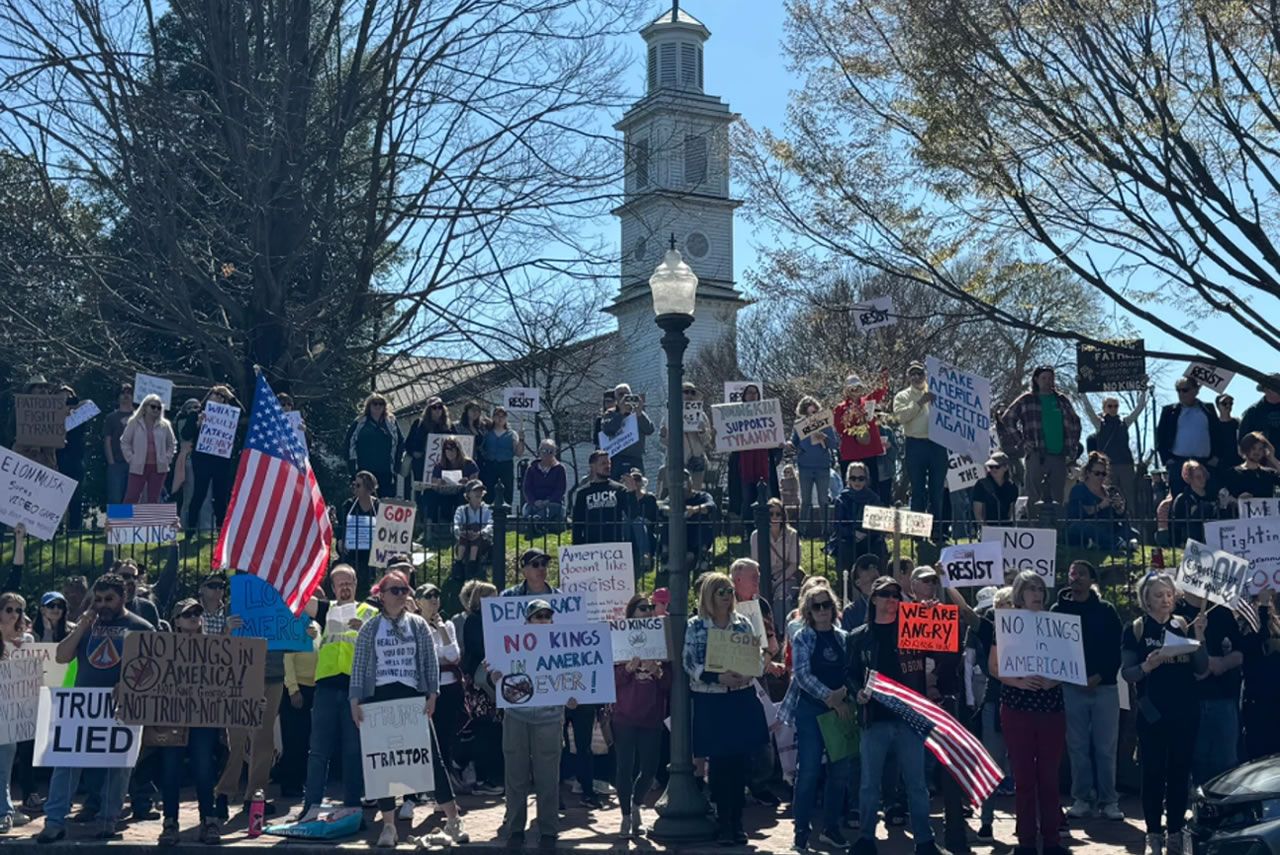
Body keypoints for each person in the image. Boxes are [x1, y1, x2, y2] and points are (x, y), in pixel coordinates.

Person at [350, 569, 467, 848]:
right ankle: (388, 826)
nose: (402, 595)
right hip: (378, 698)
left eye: (405, 590)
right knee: (382, 763)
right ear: (381, 595)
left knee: (432, 758)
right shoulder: (370, 628)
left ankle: (453, 819)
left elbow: (429, 662)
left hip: (413, 696)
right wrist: (355, 702)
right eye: (395, 591)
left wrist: (432, 694)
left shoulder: (417, 624)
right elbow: (359, 667)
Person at [38, 572, 154, 843]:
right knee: (66, 763)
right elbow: (62, 656)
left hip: (120, 707)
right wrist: (82, 624)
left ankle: (108, 819)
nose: (103, 604)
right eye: (98, 599)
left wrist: (128, 683)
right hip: (81, 707)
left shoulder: (141, 627)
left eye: (109, 599)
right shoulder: (87, 623)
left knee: (118, 765)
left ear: (124, 596)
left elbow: (152, 668)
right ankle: (54, 821)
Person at [845, 575, 943, 855]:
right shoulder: (858, 637)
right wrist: (857, 692)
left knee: (916, 785)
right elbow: (849, 675)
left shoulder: (914, 630)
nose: (892, 599)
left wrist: (933, 616)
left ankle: (924, 841)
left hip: (909, 720)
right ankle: (866, 838)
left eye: (896, 595)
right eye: (886, 594)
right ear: (873, 599)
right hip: (874, 718)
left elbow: (946, 653)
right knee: (869, 785)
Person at [1121, 572, 1209, 855]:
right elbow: (1128, 673)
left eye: (1169, 595)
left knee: (1179, 773)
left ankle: (1174, 833)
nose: (1165, 600)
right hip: (1153, 714)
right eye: (1159, 595)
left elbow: (1200, 668)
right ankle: (1153, 834)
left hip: (1185, 711)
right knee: (1154, 774)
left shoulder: (1182, 624)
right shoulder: (1136, 629)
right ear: (1146, 600)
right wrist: (1148, 666)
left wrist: (1199, 637)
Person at [684, 571, 768, 845]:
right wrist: (717, 677)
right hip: (712, 700)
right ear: (709, 595)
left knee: (740, 762)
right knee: (719, 764)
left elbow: (755, 658)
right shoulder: (696, 625)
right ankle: (724, 822)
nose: (726, 596)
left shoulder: (743, 623)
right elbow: (689, 662)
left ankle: (738, 820)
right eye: (721, 591)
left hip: (740, 698)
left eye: (730, 591)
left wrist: (747, 674)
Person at [988, 571, 1067, 855]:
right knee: (1023, 776)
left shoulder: (1056, 623)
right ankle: (1026, 840)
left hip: (1051, 708)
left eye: (1040, 589)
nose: (1036, 593)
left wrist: (1053, 680)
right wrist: (1018, 681)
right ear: (1020, 594)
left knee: (1048, 775)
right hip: (1017, 707)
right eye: (1030, 589)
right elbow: (994, 667)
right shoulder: (1007, 624)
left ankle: (1052, 838)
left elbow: (1068, 663)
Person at [487, 599, 570, 849]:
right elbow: (487, 678)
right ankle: (515, 829)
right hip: (516, 717)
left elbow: (575, 679)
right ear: (527, 621)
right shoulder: (508, 644)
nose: (543, 620)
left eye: (547, 616)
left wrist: (576, 698)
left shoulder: (563, 646)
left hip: (550, 718)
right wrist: (495, 676)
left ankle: (548, 830)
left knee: (548, 778)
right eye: (538, 616)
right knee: (515, 777)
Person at [300, 564, 379, 817]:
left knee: (353, 751)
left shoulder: (371, 613)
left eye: (349, 582)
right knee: (318, 752)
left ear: (356, 584)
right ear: (333, 588)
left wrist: (364, 630)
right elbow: (299, 598)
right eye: (340, 583)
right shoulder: (326, 609)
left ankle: (353, 807)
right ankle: (311, 807)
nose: (345, 587)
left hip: (355, 691)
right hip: (325, 688)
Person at [778, 584, 851, 852]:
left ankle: (831, 827)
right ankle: (800, 830)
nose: (822, 610)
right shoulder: (802, 637)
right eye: (816, 606)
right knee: (807, 770)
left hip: (840, 710)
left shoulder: (844, 637)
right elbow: (802, 675)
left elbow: (851, 671)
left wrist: (842, 695)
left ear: (833, 608)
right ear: (808, 610)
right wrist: (829, 697)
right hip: (811, 710)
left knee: (839, 771)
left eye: (826, 605)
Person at [1050, 561, 1124, 821]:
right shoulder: (1057, 610)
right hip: (1071, 687)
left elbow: (1117, 648)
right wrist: (1072, 677)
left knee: (1105, 748)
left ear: (1092, 579)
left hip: (1104, 688)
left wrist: (1100, 675)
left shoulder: (1106, 610)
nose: (1076, 577)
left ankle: (1109, 800)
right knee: (1077, 746)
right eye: (1072, 573)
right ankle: (1082, 797)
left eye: (1082, 573)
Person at [158, 599, 222, 845]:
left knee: (204, 767)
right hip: (172, 716)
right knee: (171, 769)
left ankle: (209, 819)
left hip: (203, 717)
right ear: (176, 620)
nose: (194, 617)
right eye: (187, 614)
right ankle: (170, 821)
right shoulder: (163, 647)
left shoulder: (215, 646)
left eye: (197, 613)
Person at [612, 594, 671, 838]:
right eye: (642, 608)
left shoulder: (662, 639)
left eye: (650, 608)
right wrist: (627, 670)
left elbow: (670, 683)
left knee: (649, 767)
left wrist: (657, 671)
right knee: (624, 766)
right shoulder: (619, 640)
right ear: (631, 613)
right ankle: (625, 816)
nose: (647, 612)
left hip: (652, 715)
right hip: (624, 714)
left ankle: (637, 806)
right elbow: (610, 681)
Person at [1174, 590, 1244, 786]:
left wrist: (1219, 663)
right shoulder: (1174, 612)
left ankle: (1225, 814)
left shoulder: (1221, 611)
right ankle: (1197, 811)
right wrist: (1199, 664)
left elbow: (1240, 653)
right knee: (1193, 761)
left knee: (1226, 763)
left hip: (1223, 698)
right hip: (1188, 699)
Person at [998, 366, 1082, 507]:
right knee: (1033, 496)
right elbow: (1007, 419)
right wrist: (1022, 442)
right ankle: (1034, 527)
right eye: (1044, 378)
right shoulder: (1027, 399)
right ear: (1036, 380)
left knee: (1058, 498)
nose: (1048, 381)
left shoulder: (1061, 400)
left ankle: (1056, 528)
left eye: (1050, 378)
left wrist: (1072, 448)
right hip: (1036, 455)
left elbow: (1076, 424)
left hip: (1059, 456)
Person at [968, 586, 1014, 842]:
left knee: (1027, 766)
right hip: (995, 703)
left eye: (1011, 602)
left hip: (1026, 702)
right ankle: (986, 820)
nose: (1007, 607)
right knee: (991, 764)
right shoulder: (989, 629)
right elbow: (966, 613)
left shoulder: (1029, 628)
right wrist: (949, 584)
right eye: (1002, 604)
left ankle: (1033, 822)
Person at [415, 583, 463, 788]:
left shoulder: (449, 625)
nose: (434, 599)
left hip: (449, 688)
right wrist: (440, 658)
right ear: (418, 602)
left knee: (446, 739)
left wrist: (442, 629)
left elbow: (453, 656)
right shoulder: (414, 625)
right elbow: (423, 660)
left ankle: (445, 788)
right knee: (424, 739)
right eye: (428, 596)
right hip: (426, 690)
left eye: (436, 595)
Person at [894, 361, 950, 528]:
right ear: (908, 377)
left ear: (926, 375)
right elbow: (900, 417)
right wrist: (920, 403)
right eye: (913, 374)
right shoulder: (902, 396)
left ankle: (937, 531)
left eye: (920, 373)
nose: (917, 377)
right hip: (915, 445)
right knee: (917, 490)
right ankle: (917, 531)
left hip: (938, 445)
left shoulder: (938, 392)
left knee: (937, 490)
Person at [1082, 383, 1148, 515]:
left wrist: (1143, 391)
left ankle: (1131, 523)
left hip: (1126, 465)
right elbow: (1088, 410)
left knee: (1129, 497)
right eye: (1110, 406)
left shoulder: (1125, 423)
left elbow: (1139, 408)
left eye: (1115, 406)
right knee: (1108, 495)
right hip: (1107, 468)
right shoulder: (1099, 424)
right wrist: (1082, 391)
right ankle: (1110, 522)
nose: (1113, 409)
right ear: (1104, 408)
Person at [0, 593, 35, 833]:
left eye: (18, 611)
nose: (14, 615)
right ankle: (5, 810)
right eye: (9, 609)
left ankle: (5, 809)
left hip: (11, 713)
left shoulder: (29, 640)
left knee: (6, 763)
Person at [184, 385, 241, 531]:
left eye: (222, 397)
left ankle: (221, 529)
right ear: (208, 396)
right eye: (216, 394)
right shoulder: (197, 413)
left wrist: (230, 396)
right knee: (199, 493)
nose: (219, 397)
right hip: (202, 459)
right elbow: (186, 434)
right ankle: (190, 528)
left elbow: (243, 413)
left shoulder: (230, 415)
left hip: (221, 460)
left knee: (220, 496)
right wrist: (198, 423)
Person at [1156, 378, 1223, 499]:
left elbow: (1218, 435)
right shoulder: (1170, 411)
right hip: (1178, 463)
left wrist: (1216, 457)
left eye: (1185, 390)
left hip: (1205, 462)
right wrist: (1167, 460)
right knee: (1180, 500)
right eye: (1178, 391)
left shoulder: (1208, 409)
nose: (1181, 394)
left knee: (1208, 499)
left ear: (1196, 390)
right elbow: (1161, 436)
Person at [280, 615, 319, 799]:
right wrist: (293, 689)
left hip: (315, 687)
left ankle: (303, 782)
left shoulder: (318, 624)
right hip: (296, 689)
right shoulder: (291, 624)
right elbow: (287, 660)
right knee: (294, 739)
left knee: (307, 739)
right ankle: (290, 784)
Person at [790, 395, 840, 533]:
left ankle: (827, 531)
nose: (811, 409)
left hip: (822, 467)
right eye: (807, 406)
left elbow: (835, 445)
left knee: (824, 500)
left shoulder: (825, 423)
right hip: (804, 467)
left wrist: (825, 438)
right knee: (805, 501)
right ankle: (802, 531)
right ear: (803, 410)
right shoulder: (799, 425)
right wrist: (792, 447)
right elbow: (793, 443)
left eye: (812, 406)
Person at [1241, 588, 1280, 760]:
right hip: (1259, 702)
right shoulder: (1245, 627)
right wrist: (1262, 610)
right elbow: (1258, 646)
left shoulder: (1277, 625)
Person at [1066, 451, 1132, 549]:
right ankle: (1117, 543)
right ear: (1088, 473)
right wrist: (1100, 506)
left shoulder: (1109, 491)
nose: (1101, 477)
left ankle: (1100, 544)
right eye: (1097, 473)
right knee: (1082, 528)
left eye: (1103, 474)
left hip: (1107, 527)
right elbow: (1077, 513)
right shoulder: (1079, 489)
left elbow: (1117, 518)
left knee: (1132, 531)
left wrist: (1119, 508)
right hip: (1086, 526)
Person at [834, 373, 891, 486]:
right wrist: (856, 421)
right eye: (852, 388)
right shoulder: (840, 408)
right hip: (851, 452)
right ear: (847, 390)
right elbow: (840, 428)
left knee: (873, 484)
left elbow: (881, 390)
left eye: (858, 387)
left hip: (869, 450)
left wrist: (884, 373)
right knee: (850, 486)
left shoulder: (868, 401)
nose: (855, 390)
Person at [751, 498, 802, 620]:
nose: (774, 517)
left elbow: (794, 564)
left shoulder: (792, 534)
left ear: (783, 516)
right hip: (763, 576)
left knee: (781, 596)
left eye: (778, 514)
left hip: (786, 576)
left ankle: (781, 631)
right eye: (770, 514)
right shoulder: (756, 535)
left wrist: (778, 581)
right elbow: (755, 563)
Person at [120, 393, 177, 504]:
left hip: (158, 467)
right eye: (153, 406)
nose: (156, 410)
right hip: (138, 466)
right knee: (131, 496)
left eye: (159, 408)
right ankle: (119, 520)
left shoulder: (165, 425)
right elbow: (125, 441)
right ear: (145, 407)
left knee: (154, 499)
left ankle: (150, 522)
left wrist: (167, 458)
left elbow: (172, 444)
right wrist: (131, 458)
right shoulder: (134, 422)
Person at [345, 393, 403, 498]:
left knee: (384, 501)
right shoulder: (359, 423)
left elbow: (400, 442)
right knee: (364, 500)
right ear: (369, 406)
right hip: (363, 470)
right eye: (374, 404)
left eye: (381, 404)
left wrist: (397, 464)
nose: (378, 406)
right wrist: (352, 467)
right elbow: (349, 443)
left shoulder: (391, 423)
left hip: (385, 470)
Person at [832, 462, 886, 571]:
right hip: (848, 539)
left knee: (879, 546)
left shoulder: (873, 499)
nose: (857, 482)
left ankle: (879, 579)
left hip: (870, 538)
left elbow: (879, 525)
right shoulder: (841, 499)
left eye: (861, 478)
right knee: (845, 548)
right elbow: (838, 526)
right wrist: (854, 533)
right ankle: (847, 583)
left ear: (866, 480)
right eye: (853, 478)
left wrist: (866, 533)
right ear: (848, 479)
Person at [661, 381, 712, 490]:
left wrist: (702, 431)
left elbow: (707, 441)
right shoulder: (670, 414)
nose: (689, 395)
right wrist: (663, 434)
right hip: (675, 462)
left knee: (694, 494)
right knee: (675, 494)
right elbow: (664, 443)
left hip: (695, 462)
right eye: (686, 392)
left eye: (692, 393)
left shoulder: (701, 415)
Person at [572, 450, 630, 544]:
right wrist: (576, 545)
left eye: (609, 463)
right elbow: (577, 524)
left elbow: (632, 514)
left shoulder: (619, 489)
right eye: (603, 463)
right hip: (591, 544)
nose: (608, 466)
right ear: (592, 466)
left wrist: (631, 492)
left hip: (614, 544)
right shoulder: (583, 493)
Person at [599, 383, 655, 478]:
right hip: (616, 459)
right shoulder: (610, 413)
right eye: (621, 394)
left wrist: (639, 415)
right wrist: (621, 414)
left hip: (635, 459)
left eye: (627, 394)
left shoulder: (637, 413)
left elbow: (649, 430)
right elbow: (608, 430)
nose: (624, 397)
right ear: (616, 398)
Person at [337, 471, 380, 588]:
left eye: (358, 485)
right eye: (354, 484)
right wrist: (340, 540)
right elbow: (341, 526)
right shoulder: (348, 505)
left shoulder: (378, 506)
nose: (354, 488)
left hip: (371, 549)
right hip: (352, 548)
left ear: (368, 488)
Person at [479, 406, 525, 506]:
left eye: (503, 416)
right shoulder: (487, 433)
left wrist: (521, 440)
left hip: (506, 466)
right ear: (493, 417)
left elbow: (519, 453)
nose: (500, 419)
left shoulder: (512, 434)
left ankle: (506, 515)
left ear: (506, 418)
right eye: (497, 416)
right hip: (490, 465)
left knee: (506, 492)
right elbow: (481, 448)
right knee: (489, 493)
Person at [404, 396, 453, 492]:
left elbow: (456, 443)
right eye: (434, 407)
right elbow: (408, 444)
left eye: (440, 407)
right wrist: (415, 453)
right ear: (428, 410)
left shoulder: (449, 426)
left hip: (443, 465)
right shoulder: (418, 424)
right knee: (423, 492)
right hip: (422, 466)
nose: (437, 410)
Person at [427, 436, 478, 526]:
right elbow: (433, 482)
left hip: (461, 495)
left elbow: (476, 482)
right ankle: (431, 524)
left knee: (463, 496)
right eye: (448, 449)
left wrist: (468, 481)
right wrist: (439, 482)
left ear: (458, 450)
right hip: (445, 494)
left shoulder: (469, 464)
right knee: (429, 494)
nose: (450, 452)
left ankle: (461, 525)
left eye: (453, 449)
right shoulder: (439, 466)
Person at [1169, 460, 1221, 545]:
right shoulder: (1182, 499)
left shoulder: (1213, 496)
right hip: (1192, 544)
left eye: (1203, 476)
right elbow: (1177, 526)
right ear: (1189, 478)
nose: (1202, 480)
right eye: (1198, 477)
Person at [57, 385, 87, 529]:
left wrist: (71, 408)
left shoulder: (79, 415)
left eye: (68, 397)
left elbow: (87, 404)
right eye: (61, 398)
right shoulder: (51, 416)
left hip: (75, 459)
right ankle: (56, 528)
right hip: (57, 459)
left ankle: (74, 528)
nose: (65, 400)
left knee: (76, 497)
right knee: (56, 497)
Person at [452, 480, 494, 578]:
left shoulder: (488, 509)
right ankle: (459, 563)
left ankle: (471, 563)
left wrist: (481, 532)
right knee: (467, 531)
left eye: (480, 491)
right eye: (475, 491)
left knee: (475, 529)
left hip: (483, 541)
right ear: (468, 494)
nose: (478, 493)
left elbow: (491, 524)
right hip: (465, 540)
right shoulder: (462, 509)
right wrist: (460, 532)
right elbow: (456, 523)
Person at [103, 382, 135, 505]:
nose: (126, 396)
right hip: (117, 463)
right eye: (123, 393)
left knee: (132, 497)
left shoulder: (140, 417)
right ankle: (117, 524)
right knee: (115, 498)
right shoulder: (111, 417)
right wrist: (111, 462)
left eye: (129, 393)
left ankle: (128, 524)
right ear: (118, 397)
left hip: (136, 463)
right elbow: (107, 440)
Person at [1225, 431, 1280, 501]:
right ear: (1246, 449)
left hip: (1266, 511)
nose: (1257, 452)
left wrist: (1272, 458)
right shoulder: (1234, 473)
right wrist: (1239, 499)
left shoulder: (1269, 473)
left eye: (1260, 449)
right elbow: (1227, 499)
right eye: (1253, 448)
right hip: (1243, 511)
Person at [622, 469, 659, 573]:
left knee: (638, 521)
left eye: (637, 480)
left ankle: (645, 555)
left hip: (647, 528)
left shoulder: (649, 498)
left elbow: (654, 517)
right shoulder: (625, 499)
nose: (635, 483)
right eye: (632, 480)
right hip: (628, 527)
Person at [522, 440, 567, 523]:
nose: (547, 454)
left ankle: (536, 519)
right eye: (544, 451)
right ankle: (535, 520)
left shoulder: (559, 469)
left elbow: (560, 490)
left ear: (554, 453)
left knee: (552, 509)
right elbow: (527, 489)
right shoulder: (532, 468)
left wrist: (548, 501)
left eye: (550, 452)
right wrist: (534, 501)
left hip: (553, 502)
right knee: (527, 508)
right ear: (539, 451)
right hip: (535, 502)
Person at [972, 452, 1018, 525]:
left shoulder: (1012, 486)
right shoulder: (981, 485)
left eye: (997, 466)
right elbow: (978, 512)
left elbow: (1012, 512)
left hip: (1006, 529)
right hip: (988, 528)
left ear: (1006, 467)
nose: (993, 469)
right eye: (990, 466)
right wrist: (985, 528)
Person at [1238, 374, 1280, 451]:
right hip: (1262, 461)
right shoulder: (1253, 412)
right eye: (1268, 387)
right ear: (1265, 389)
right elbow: (1243, 442)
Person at [840, 555, 880, 631]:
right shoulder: (851, 612)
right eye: (866, 567)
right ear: (857, 582)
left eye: (875, 566)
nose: (873, 569)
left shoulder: (891, 600)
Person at [1214, 394, 1243, 470]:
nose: (1228, 406)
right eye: (1224, 403)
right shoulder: (1213, 424)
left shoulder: (1237, 423)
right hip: (1219, 464)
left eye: (1230, 403)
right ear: (1217, 406)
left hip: (1237, 462)